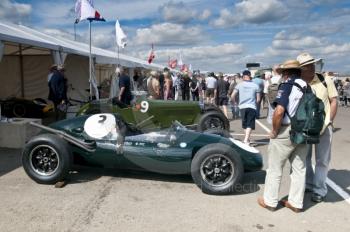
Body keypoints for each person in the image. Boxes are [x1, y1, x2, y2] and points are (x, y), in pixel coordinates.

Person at [258, 60, 308, 213]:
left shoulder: (287, 85)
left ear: (286, 73)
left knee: (275, 168)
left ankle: (270, 201)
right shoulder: (307, 86)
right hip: (304, 130)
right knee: (299, 168)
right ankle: (296, 203)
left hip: (286, 130)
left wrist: (274, 131)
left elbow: (279, 111)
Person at [297, 53, 338, 203]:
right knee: (304, 158)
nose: (312, 66)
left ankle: (319, 190)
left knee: (322, 160)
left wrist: (329, 120)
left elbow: (334, 101)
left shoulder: (325, 80)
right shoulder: (298, 83)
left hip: (324, 127)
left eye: (313, 63)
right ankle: (308, 184)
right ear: (301, 69)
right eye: (308, 65)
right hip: (305, 128)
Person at [231, 70, 260, 145]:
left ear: (243, 76)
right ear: (250, 76)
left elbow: (232, 96)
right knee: (250, 124)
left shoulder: (239, 85)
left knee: (245, 123)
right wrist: (255, 104)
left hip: (242, 106)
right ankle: (246, 139)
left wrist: (235, 103)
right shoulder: (255, 85)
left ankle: (247, 139)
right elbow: (258, 99)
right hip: (252, 106)